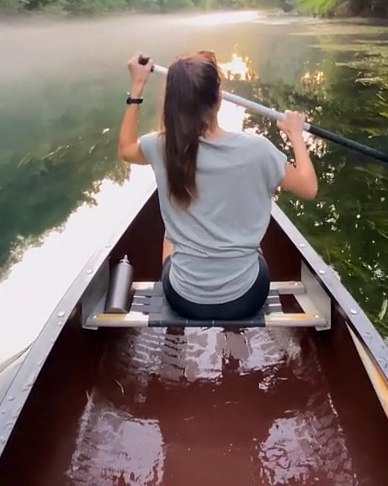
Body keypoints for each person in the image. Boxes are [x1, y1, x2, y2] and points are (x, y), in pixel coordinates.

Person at [117, 50, 319, 321]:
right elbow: (309, 188)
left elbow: (126, 150)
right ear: (219, 97)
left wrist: (137, 86)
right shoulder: (258, 150)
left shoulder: (161, 145)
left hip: (183, 297)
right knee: (256, 250)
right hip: (246, 297)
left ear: (174, 100)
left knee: (168, 234)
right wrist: (295, 134)